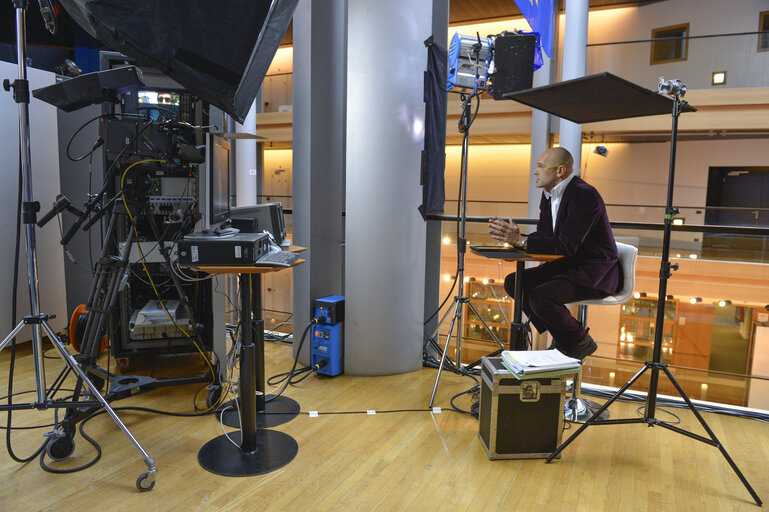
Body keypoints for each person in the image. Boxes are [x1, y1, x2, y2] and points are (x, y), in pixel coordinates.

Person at [488, 147, 621, 360]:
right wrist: (519, 244)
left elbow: (567, 246)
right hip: (567, 264)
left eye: (541, 167)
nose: (535, 172)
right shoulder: (549, 195)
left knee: (541, 297)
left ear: (560, 171)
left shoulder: (584, 195)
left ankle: (579, 341)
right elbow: (544, 236)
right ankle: (563, 336)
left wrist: (521, 241)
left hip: (593, 271)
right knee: (515, 282)